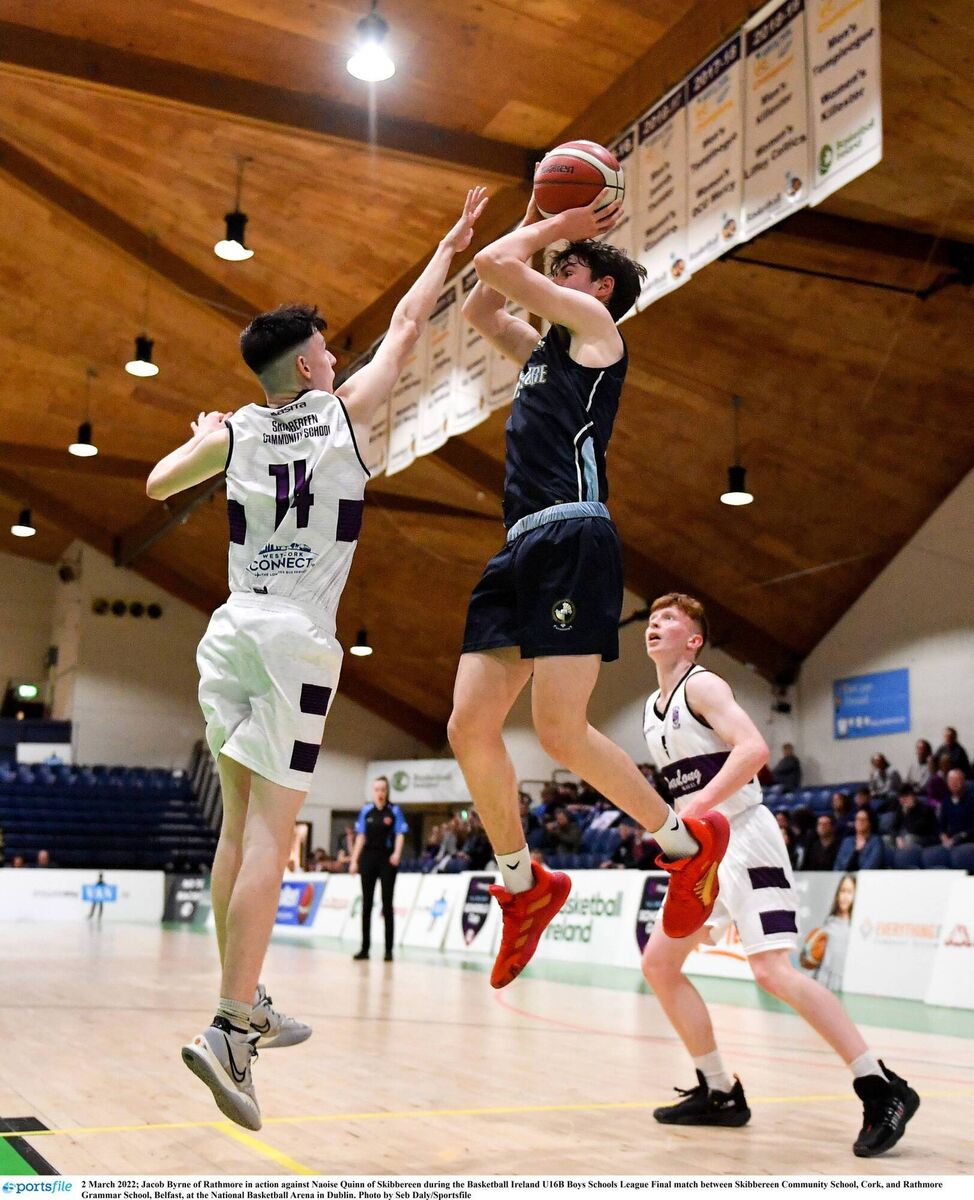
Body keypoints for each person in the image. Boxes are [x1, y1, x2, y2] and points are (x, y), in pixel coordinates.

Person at [147, 188, 488, 1131]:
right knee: (271, 839)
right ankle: (228, 1027)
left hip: (229, 629)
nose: (339, 360)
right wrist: (451, 244)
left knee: (235, 830)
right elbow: (415, 321)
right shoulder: (336, 415)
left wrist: (204, 437)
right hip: (296, 637)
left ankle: (241, 1003)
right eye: (330, 351)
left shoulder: (239, 431)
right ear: (308, 363)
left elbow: (153, 481)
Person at [447, 191, 729, 990]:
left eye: (567, 267)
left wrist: (558, 222)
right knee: (469, 726)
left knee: (560, 733)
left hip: (574, 537)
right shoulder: (543, 352)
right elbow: (480, 302)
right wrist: (540, 213)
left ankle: (685, 844)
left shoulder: (600, 336)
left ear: (597, 288)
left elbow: (499, 266)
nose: (552, 267)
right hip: (517, 549)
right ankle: (523, 885)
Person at [640, 593, 918, 1158]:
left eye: (669, 619)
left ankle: (880, 1085)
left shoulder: (703, 685)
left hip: (743, 834)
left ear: (693, 639)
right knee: (660, 964)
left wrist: (695, 812)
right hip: (703, 851)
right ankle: (719, 1090)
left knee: (771, 971)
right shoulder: (651, 705)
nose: (655, 625)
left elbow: (754, 748)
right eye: (651, 619)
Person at [349, 775, 408, 960]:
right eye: (376, 789)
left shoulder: (394, 811)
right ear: (373, 791)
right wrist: (354, 860)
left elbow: (400, 834)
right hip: (368, 858)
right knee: (366, 904)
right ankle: (364, 948)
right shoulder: (366, 811)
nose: (380, 793)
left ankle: (388, 950)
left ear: (387, 791)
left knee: (387, 904)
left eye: (383, 789)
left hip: (387, 859)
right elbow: (360, 837)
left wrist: (397, 853)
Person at [813, 873, 857, 993]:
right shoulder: (829, 922)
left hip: (843, 986)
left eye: (849, 892)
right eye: (842, 891)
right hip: (823, 983)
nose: (845, 896)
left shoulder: (856, 927)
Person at [890, 784, 939, 848]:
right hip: (912, 836)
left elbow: (913, 829)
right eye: (900, 800)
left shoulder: (925, 809)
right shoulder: (902, 808)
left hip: (927, 838)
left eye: (904, 799)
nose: (902, 803)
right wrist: (897, 837)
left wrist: (907, 813)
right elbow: (893, 827)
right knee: (887, 839)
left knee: (909, 838)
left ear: (912, 797)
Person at [940, 769, 974, 847]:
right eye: (951, 781)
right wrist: (943, 837)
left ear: (963, 782)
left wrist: (959, 837)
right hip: (951, 841)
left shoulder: (971, 800)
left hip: (968, 841)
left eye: (957, 780)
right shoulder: (946, 801)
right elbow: (942, 826)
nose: (953, 783)